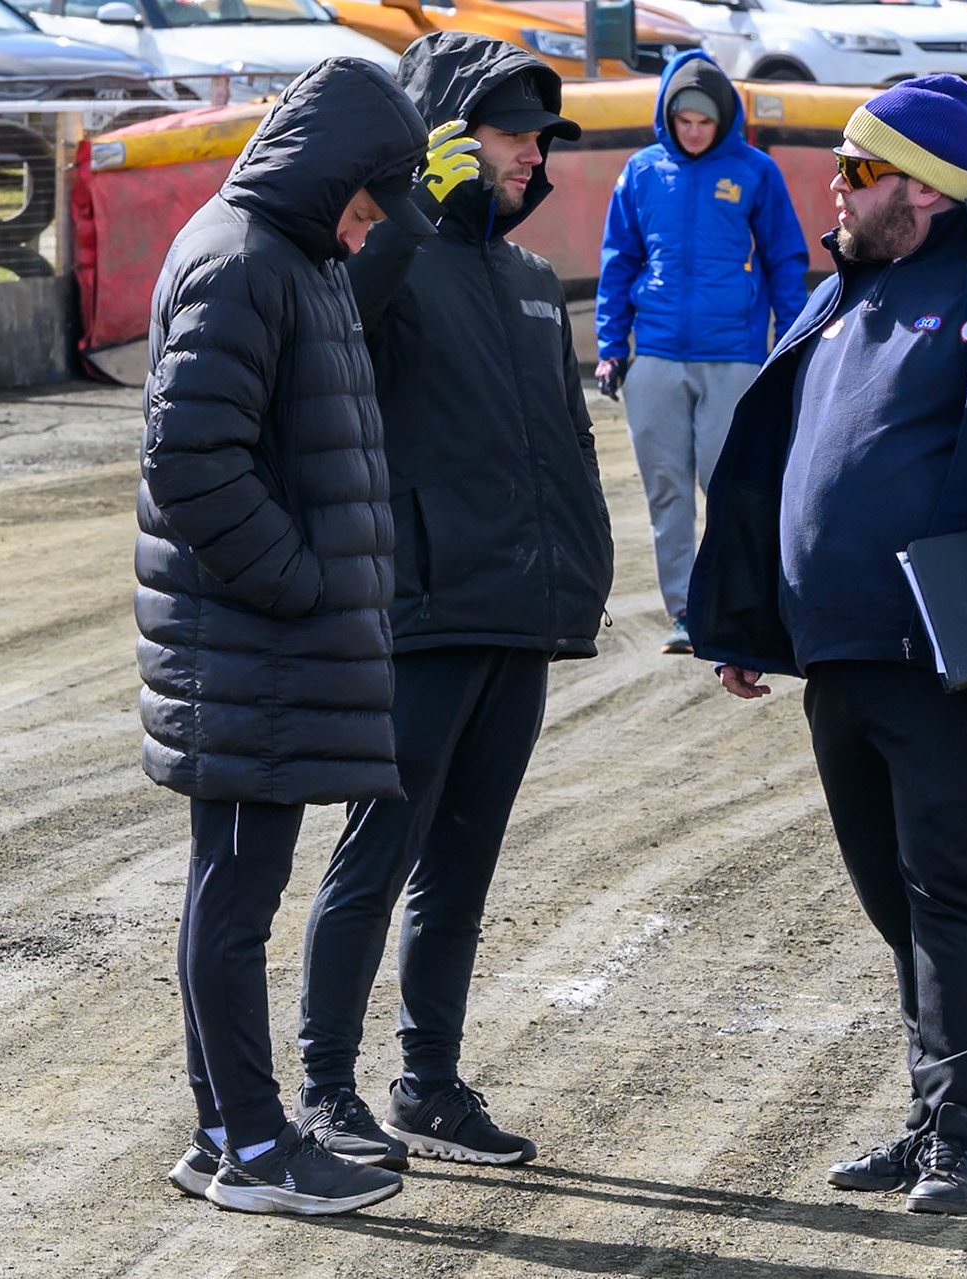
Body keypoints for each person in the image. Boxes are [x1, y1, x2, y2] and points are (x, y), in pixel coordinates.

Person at [687, 75, 967, 1215]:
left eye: (857, 169)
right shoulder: (837, 297)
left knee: (948, 889)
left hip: (946, 658)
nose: (835, 181)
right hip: (837, 655)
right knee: (892, 898)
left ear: (917, 189)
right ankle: (929, 1110)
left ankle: (963, 1132)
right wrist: (747, 626)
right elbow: (791, 470)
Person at [294, 32, 614, 1171]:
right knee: (376, 858)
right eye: (514, 132)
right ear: (444, 138)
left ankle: (428, 1081)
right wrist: (408, 214)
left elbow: (562, 448)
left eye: (541, 137)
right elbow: (331, 330)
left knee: (464, 869)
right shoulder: (382, 260)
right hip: (422, 613)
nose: (535, 154)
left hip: (521, 617)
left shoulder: (532, 281)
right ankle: (324, 1089)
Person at [136, 58, 429, 1217]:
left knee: (229, 886)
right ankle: (254, 1147)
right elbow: (191, 465)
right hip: (249, 641)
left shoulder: (286, 255)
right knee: (236, 892)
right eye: (365, 205)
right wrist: (302, 584)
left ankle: (224, 1135)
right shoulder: (245, 260)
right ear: (329, 175)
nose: (367, 230)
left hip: (259, 643)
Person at [595, 51, 809, 656]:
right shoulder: (640, 172)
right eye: (683, 120)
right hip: (656, 356)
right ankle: (687, 611)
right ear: (668, 116)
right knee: (666, 490)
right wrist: (613, 347)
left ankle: (741, 607)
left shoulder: (756, 172)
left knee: (731, 484)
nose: (693, 131)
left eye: (704, 122)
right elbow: (619, 262)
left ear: (724, 120)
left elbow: (785, 263)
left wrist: (788, 346)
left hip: (735, 356)